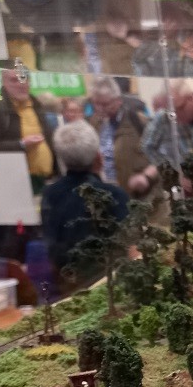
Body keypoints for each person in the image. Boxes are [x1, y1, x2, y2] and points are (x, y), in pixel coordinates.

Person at [40, 121, 129, 284]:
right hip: (110, 281)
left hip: (67, 282)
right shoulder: (115, 195)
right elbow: (129, 246)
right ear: (98, 157)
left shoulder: (50, 194)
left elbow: (52, 245)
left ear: (62, 159)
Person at [0, 69, 57, 195]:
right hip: (13, 181)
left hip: (44, 179)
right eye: (14, 80)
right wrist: (21, 144)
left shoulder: (36, 105)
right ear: (4, 83)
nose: (21, 84)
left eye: (24, 79)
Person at [141, 80, 193, 169]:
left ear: (190, 98)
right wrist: (171, 169)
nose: (174, 116)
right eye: (170, 110)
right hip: (185, 175)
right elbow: (147, 147)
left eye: (178, 109)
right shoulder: (164, 116)